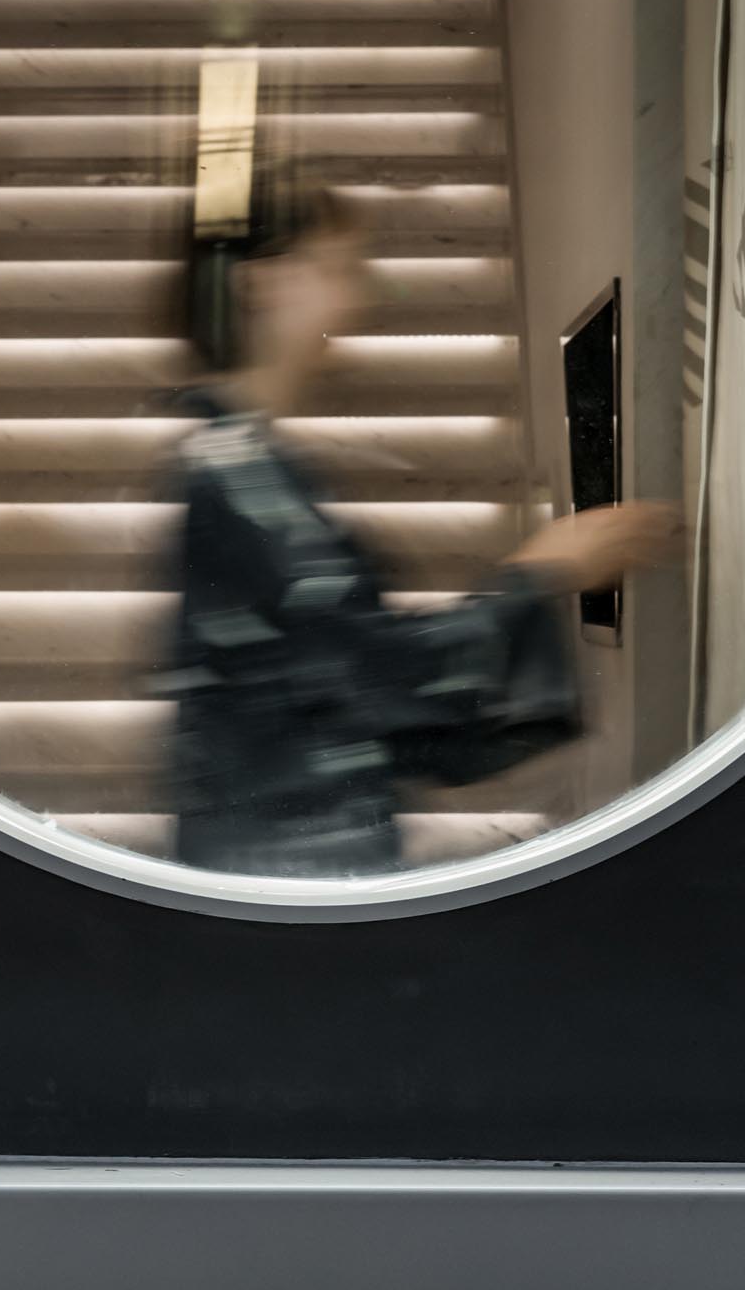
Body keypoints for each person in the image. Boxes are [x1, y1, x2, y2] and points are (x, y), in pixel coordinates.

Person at [157, 178, 680, 876]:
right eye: (338, 269)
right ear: (262, 283)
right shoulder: (234, 475)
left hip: (289, 862)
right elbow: (374, 674)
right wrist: (544, 572)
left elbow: (349, 677)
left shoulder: (243, 463)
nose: (357, 299)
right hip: (290, 872)